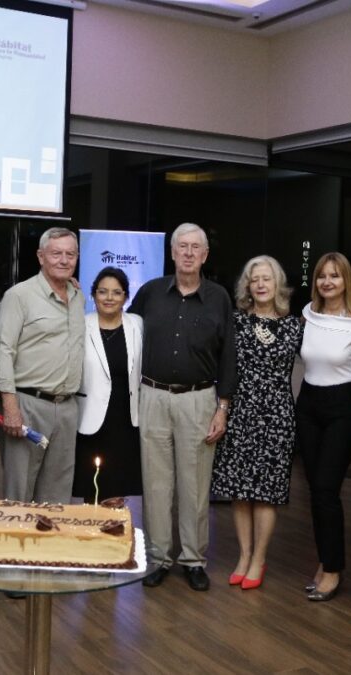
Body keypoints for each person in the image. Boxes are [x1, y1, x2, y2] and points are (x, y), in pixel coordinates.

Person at [130, 223, 236, 592]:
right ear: (172, 253)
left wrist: (222, 407)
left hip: (199, 399)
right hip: (153, 396)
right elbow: (125, 334)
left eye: (196, 248)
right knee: (156, 483)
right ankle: (159, 557)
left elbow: (229, 357)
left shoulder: (219, 297)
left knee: (194, 484)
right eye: (182, 247)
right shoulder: (150, 293)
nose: (188, 253)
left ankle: (193, 559)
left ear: (205, 256)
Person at [211, 255, 301, 590]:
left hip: (277, 415)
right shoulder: (235, 322)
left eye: (267, 278)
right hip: (240, 412)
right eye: (255, 279)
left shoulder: (295, 326)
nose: (261, 284)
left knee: (266, 492)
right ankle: (243, 555)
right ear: (247, 286)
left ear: (278, 284)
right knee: (239, 490)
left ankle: (259, 559)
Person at [295, 252, 351, 601]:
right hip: (309, 404)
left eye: (335, 276)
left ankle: (334, 568)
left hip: (343, 407)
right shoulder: (308, 315)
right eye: (322, 276)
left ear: (346, 281)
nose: (328, 282)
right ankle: (326, 560)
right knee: (315, 489)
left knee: (326, 488)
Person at [0, 227, 85, 504]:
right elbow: (3, 351)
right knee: (19, 492)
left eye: (70, 254)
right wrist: (10, 407)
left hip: (68, 407)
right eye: (56, 253)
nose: (64, 260)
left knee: (57, 494)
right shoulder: (19, 296)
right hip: (27, 404)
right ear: (40, 256)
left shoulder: (78, 296)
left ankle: (48, 547)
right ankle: (16, 546)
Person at [74, 267, 143, 501]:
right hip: (90, 418)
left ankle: (114, 535)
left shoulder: (137, 325)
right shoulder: (81, 325)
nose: (109, 298)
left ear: (126, 296)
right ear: (93, 295)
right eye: (103, 292)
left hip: (125, 418)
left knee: (118, 485)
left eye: (116, 292)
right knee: (89, 486)